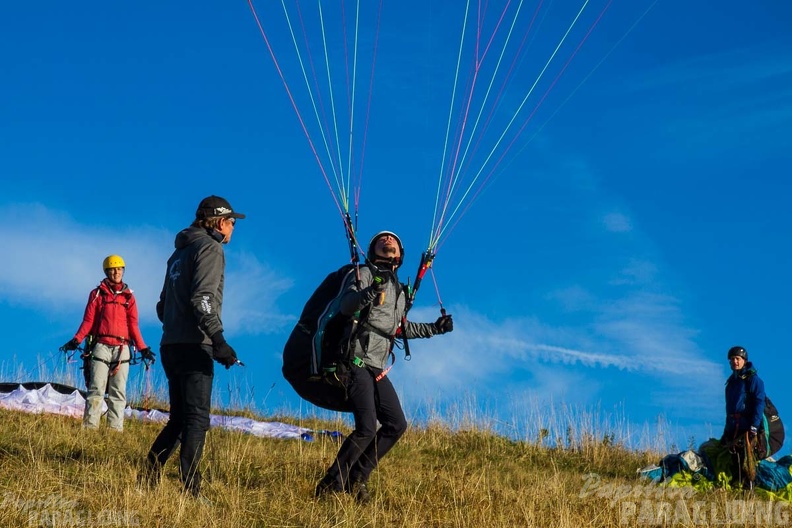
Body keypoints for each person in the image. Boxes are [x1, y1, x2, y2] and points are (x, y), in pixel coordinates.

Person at [315, 231, 454, 502]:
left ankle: (358, 478)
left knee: (396, 424)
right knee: (367, 427)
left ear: (400, 254)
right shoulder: (365, 273)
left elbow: (399, 328)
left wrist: (435, 329)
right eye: (382, 240)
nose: (388, 240)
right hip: (355, 361)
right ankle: (331, 484)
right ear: (373, 250)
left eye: (393, 240)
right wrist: (371, 291)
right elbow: (346, 306)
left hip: (377, 367)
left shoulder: (400, 291)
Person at [142, 195, 244, 497]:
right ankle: (191, 490)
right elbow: (203, 299)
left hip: (170, 345)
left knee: (180, 418)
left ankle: (148, 475)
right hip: (193, 343)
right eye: (233, 223)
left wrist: (177, 322)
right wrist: (219, 341)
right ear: (221, 222)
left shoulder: (178, 254)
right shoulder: (210, 248)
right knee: (197, 419)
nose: (234, 229)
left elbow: (162, 307)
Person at [61, 255, 155, 432]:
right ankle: (90, 429)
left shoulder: (129, 298)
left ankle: (114, 432)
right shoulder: (96, 294)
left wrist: (142, 348)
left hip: (122, 349)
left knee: (118, 392)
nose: (116, 272)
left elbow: (133, 325)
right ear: (106, 271)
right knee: (96, 389)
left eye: (119, 268)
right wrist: (76, 340)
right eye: (112, 269)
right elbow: (88, 321)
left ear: (123, 271)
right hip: (101, 347)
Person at [720, 345, 766, 485]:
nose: (735, 361)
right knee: (732, 460)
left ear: (744, 360)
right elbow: (730, 409)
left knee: (747, 460)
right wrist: (727, 430)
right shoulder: (730, 383)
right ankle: (736, 488)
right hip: (733, 427)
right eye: (732, 359)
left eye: (738, 359)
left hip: (747, 427)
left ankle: (749, 491)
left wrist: (754, 426)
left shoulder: (753, 380)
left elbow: (759, 403)